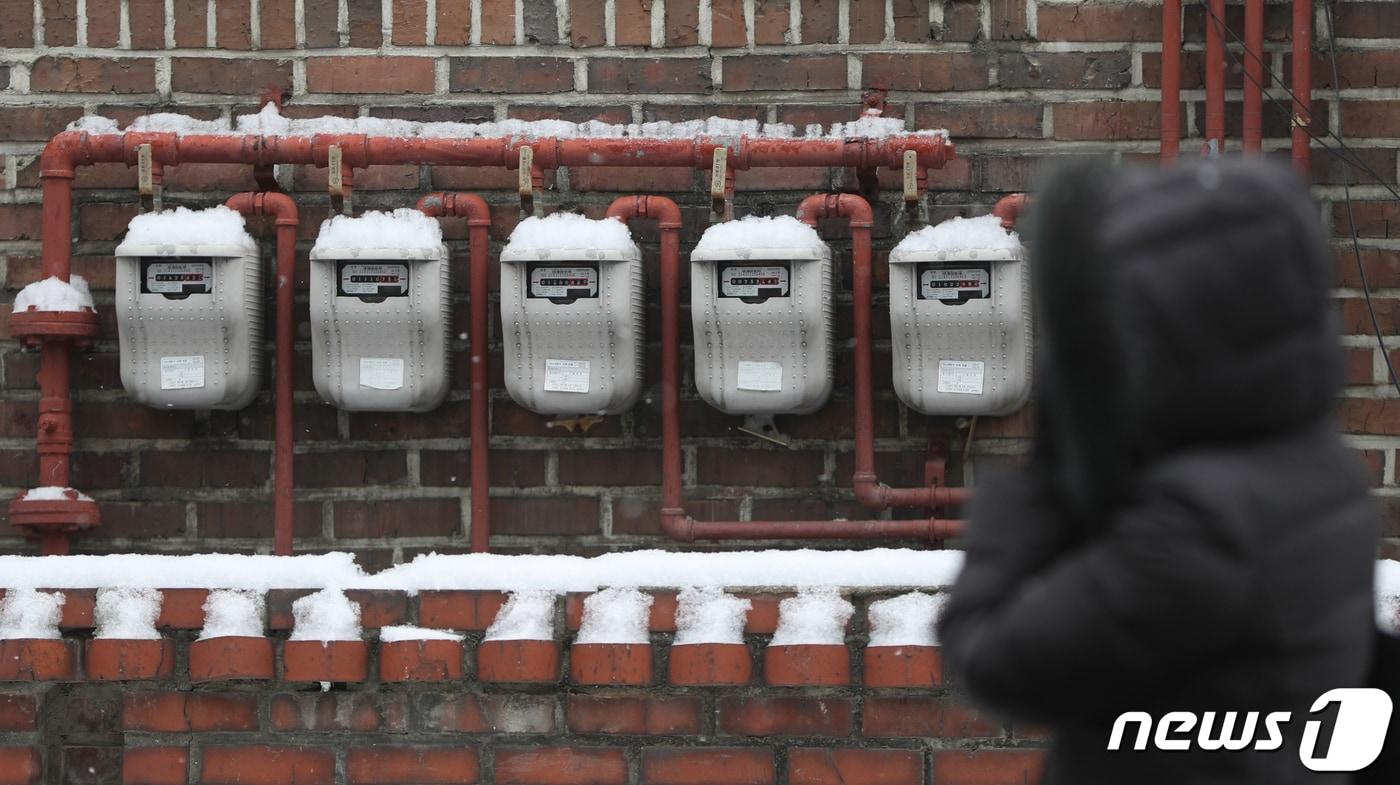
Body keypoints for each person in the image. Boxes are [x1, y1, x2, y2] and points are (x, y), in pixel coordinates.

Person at [937, 158, 1379, 785]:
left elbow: (992, 656)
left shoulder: (1201, 529)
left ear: (1178, 332)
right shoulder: (1315, 469)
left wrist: (1049, 464)